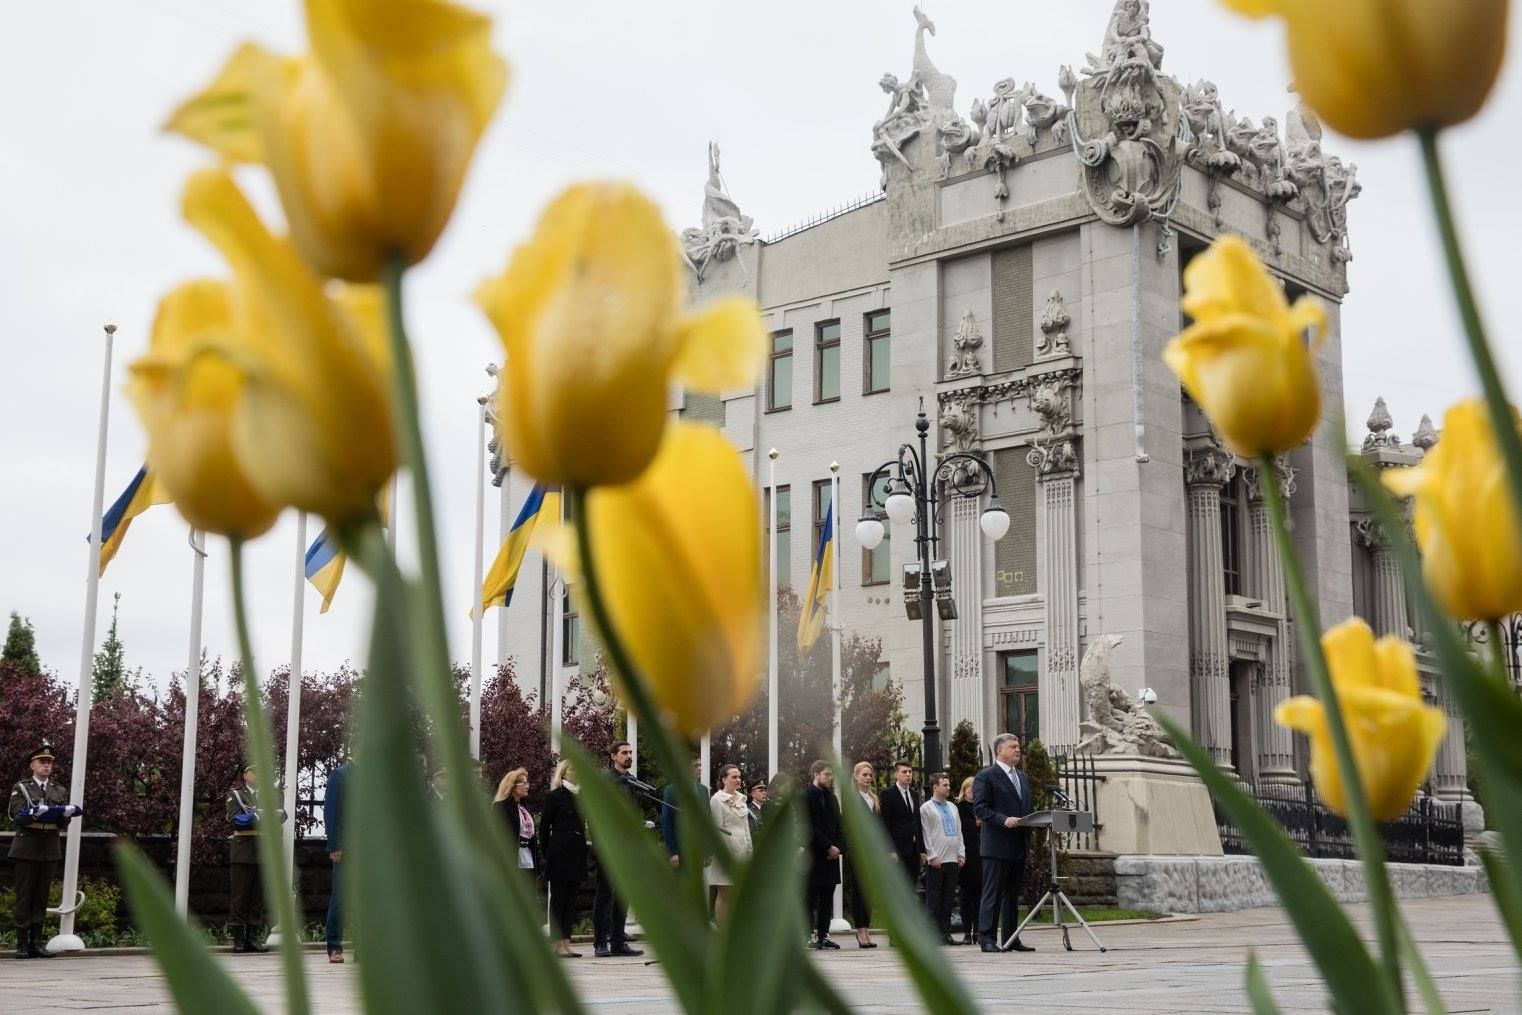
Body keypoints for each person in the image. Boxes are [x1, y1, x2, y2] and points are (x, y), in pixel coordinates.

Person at [7, 744, 82, 959]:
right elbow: (16, 816)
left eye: (49, 762)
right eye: (42, 762)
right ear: (32, 765)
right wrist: (34, 814)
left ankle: (37, 943)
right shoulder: (22, 788)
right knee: (24, 896)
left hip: (49, 847)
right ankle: (22, 944)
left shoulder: (58, 790)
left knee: (41, 896)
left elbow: (61, 824)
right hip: (27, 846)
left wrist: (65, 816)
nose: (46, 765)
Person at [973, 734, 1035, 953]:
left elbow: (1025, 809)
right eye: (1012, 747)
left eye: (1018, 747)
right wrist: (1003, 820)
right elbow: (980, 807)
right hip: (997, 846)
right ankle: (987, 939)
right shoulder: (986, 776)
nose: (1018, 750)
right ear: (999, 750)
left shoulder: (1022, 777)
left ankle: (1011, 938)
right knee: (992, 894)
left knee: (1012, 896)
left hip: (1018, 845)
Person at [226, 761, 286, 954]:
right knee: (240, 897)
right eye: (254, 772)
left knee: (257, 897)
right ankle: (238, 938)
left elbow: (281, 816)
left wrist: (258, 816)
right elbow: (236, 821)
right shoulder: (236, 795)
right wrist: (259, 817)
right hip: (243, 851)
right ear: (245, 775)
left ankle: (253, 937)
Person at [591, 741, 644, 957]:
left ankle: (618, 941)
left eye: (630, 752)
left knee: (623, 894)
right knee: (605, 895)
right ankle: (600, 943)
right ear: (613, 756)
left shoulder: (631, 781)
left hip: (628, 847)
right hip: (608, 845)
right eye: (624, 753)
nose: (629, 756)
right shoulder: (604, 781)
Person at [541, 760, 587, 958]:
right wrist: (547, 853)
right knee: (558, 900)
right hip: (559, 853)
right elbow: (543, 828)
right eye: (572, 769)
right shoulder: (554, 796)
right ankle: (556, 943)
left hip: (577, 852)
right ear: (563, 773)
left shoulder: (582, 797)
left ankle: (566, 943)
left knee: (571, 900)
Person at [919, 772, 966, 945]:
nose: (948, 787)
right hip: (937, 861)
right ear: (935, 787)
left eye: (948, 784)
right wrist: (931, 856)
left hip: (952, 859)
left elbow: (959, 831)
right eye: (944, 785)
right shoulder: (926, 808)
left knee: (948, 900)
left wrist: (961, 853)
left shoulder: (953, 807)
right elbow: (926, 833)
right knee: (934, 901)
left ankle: (946, 934)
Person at [801, 760, 844, 950]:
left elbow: (840, 825)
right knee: (810, 896)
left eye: (831, 774)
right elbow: (807, 826)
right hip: (815, 854)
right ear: (816, 774)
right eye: (826, 774)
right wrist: (827, 846)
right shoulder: (804, 797)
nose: (829, 777)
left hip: (831, 856)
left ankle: (824, 934)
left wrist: (838, 847)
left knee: (827, 896)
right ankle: (807, 935)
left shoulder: (832, 798)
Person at [707, 764, 752, 923]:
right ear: (724, 779)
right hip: (726, 853)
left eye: (739, 776)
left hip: (742, 852)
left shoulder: (741, 799)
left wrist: (749, 849)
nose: (738, 779)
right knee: (724, 893)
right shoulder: (716, 800)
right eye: (734, 777)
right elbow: (717, 829)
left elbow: (745, 827)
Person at [843, 762, 879, 948]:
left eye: (870, 775)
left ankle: (866, 926)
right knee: (859, 890)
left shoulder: (873, 799)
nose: (868, 778)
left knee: (869, 891)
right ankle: (860, 930)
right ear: (856, 776)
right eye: (864, 774)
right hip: (858, 851)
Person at [879, 760, 925, 891]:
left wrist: (921, 849)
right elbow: (884, 824)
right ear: (896, 774)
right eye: (904, 772)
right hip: (897, 850)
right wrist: (890, 849)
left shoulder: (914, 795)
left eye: (910, 772)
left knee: (911, 886)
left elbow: (916, 822)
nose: (908, 775)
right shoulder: (888, 794)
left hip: (913, 850)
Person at [661, 757, 705, 869]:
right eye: (696, 766)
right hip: (680, 851)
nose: (700, 768)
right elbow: (666, 822)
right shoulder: (671, 790)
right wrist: (673, 852)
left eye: (700, 765)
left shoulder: (703, 790)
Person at [323, 761, 347, 963]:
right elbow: (330, 812)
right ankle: (334, 946)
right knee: (340, 897)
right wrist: (334, 844)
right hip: (346, 847)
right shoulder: (340, 775)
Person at [493, 768, 538, 875]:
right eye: (524, 783)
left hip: (528, 857)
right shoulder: (500, 807)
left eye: (527, 783)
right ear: (513, 786)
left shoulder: (526, 808)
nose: (527, 786)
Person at [955, 776, 983, 945]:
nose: (973, 791)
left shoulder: (982, 808)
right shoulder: (959, 808)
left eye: (976, 788)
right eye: (971, 788)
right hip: (966, 855)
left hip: (981, 855)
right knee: (966, 896)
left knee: (980, 896)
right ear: (964, 790)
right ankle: (966, 931)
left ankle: (978, 931)